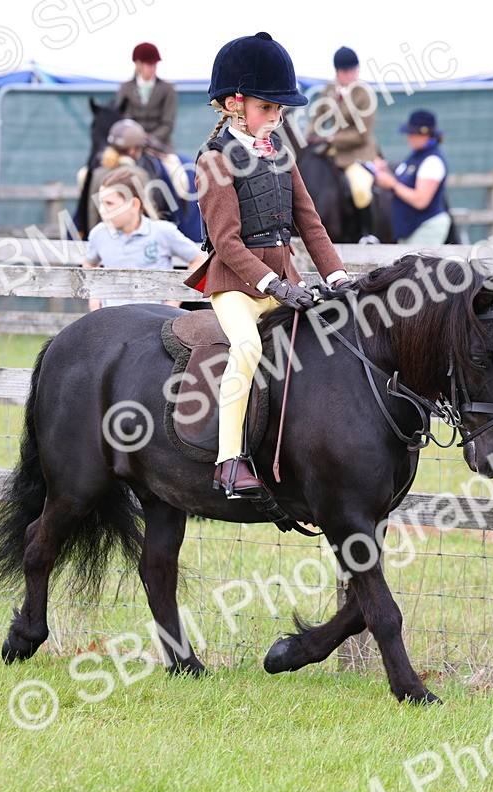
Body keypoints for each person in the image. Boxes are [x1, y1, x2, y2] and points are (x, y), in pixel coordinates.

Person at [183, 31, 351, 499]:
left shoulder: (281, 154)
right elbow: (226, 242)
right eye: (267, 108)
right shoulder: (213, 161)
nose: (275, 118)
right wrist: (274, 285)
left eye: (280, 111)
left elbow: (310, 223)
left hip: (285, 282)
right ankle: (228, 462)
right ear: (235, 104)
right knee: (248, 349)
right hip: (236, 286)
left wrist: (336, 276)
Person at [83, 165, 206, 311]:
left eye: (109, 203)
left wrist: (174, 301)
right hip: (111, 319)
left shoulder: (162, 231)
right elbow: (89, 264)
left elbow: (199, 259)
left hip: (154, 320)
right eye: (101, 203)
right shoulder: (99, 234)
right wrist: (94, 298)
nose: (102, 210)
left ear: (134, 205)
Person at [306, 46, 381, 243]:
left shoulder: (364, 95)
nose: (348, 75)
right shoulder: (329, 90)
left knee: (360, 189)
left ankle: (368, 234)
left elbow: (362, 134)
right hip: (332, 151)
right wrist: (310, 132)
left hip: (358, 152)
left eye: (352, 71)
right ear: (337, 72)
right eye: (344, 71)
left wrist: (332, 139)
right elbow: (318, 114)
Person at [372, 109, 452, 245]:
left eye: (413, 133)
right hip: (411, 228)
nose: (408, 137)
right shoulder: (416, 156)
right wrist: (384, 169)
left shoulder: (432, 160)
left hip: (426, 227)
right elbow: (404, 178)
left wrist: (392, 185)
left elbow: (421, 200)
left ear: (426, 135)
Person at [85, 118, 172, 231]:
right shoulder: (140, 174)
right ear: (132, 150)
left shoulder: (98, 173)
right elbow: (149, 211)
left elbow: (92, 215)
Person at [113, 42, 178, 153]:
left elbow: (168, 123)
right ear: (138, 64)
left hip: (160, 145)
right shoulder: (125, 88)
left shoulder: (168, 89)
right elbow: (125, 118)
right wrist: (135, 137)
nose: (153, 68)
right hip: (131, 145)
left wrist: (149, 138)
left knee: (174, 167)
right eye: (149, 64)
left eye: (155, 64)